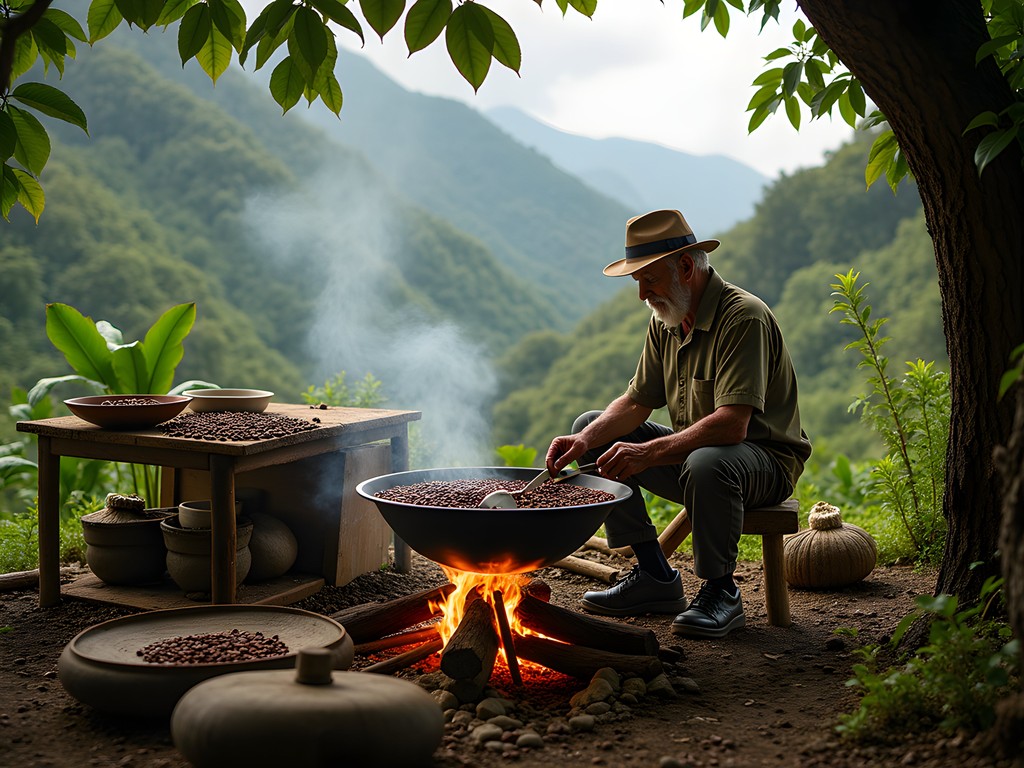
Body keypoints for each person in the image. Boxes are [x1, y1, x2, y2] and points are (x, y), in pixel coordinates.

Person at [545, 209, 812, 639]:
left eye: (648, 280)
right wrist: (583, 439)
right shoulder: (665, 321)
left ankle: (721, 591)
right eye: (638, 283)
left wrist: (647, 453)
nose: (642, 295)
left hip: (764, 463)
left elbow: (731, 427)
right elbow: (636, 403)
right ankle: (653, 576)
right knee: (595, 425)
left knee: (709, 461)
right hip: (698, 458)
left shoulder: (744, 317)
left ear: (686, 267)